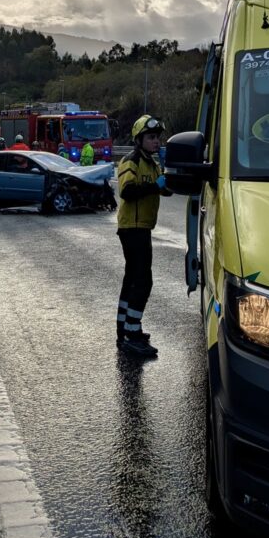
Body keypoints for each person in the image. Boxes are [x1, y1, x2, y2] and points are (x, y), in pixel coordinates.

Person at [115, 115, 172, 358]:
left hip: (142, 228)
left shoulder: (152, 163)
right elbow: (126, 191)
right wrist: (155, 186)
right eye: (150, 137)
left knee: (132, 280)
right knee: (143, 281)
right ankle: (132, 333)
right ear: (139, 140)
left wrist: (169, 179)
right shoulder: (133, 160)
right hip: (133, 228)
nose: (156, 142)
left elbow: (164, 190)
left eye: (157, 137)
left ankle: (123, 328)